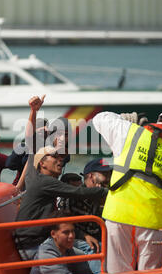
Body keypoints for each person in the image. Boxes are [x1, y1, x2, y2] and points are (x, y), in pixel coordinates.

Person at [13, 96, 108, 261]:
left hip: (45, 216)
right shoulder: (43, 150)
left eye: (67, 135)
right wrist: (33, 111)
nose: (59, 161)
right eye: (60, 134)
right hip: (33, 233)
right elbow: (30, 140)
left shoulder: (60, 155)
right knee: (89, 252)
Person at [92, 108, 162, 273]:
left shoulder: (129, 131)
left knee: (117, 273)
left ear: (159, 120)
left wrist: (123, 119)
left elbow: (99, 118)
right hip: (153, 221)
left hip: (118, 215)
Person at [57, 158, 112, 274]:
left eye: (109, 174)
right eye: (105, 174)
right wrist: (85, 236)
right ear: (91, 176)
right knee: (94, 248)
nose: (108, 177)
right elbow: (63, 225)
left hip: (94, 240)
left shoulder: (102, 198)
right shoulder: (73, 196)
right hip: (74, 241)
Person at [28, 211, 94, 274]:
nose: (71, 236)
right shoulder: (45, 254)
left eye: (73, 231)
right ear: (53, 234)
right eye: (66, 232)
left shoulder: (68, 249)